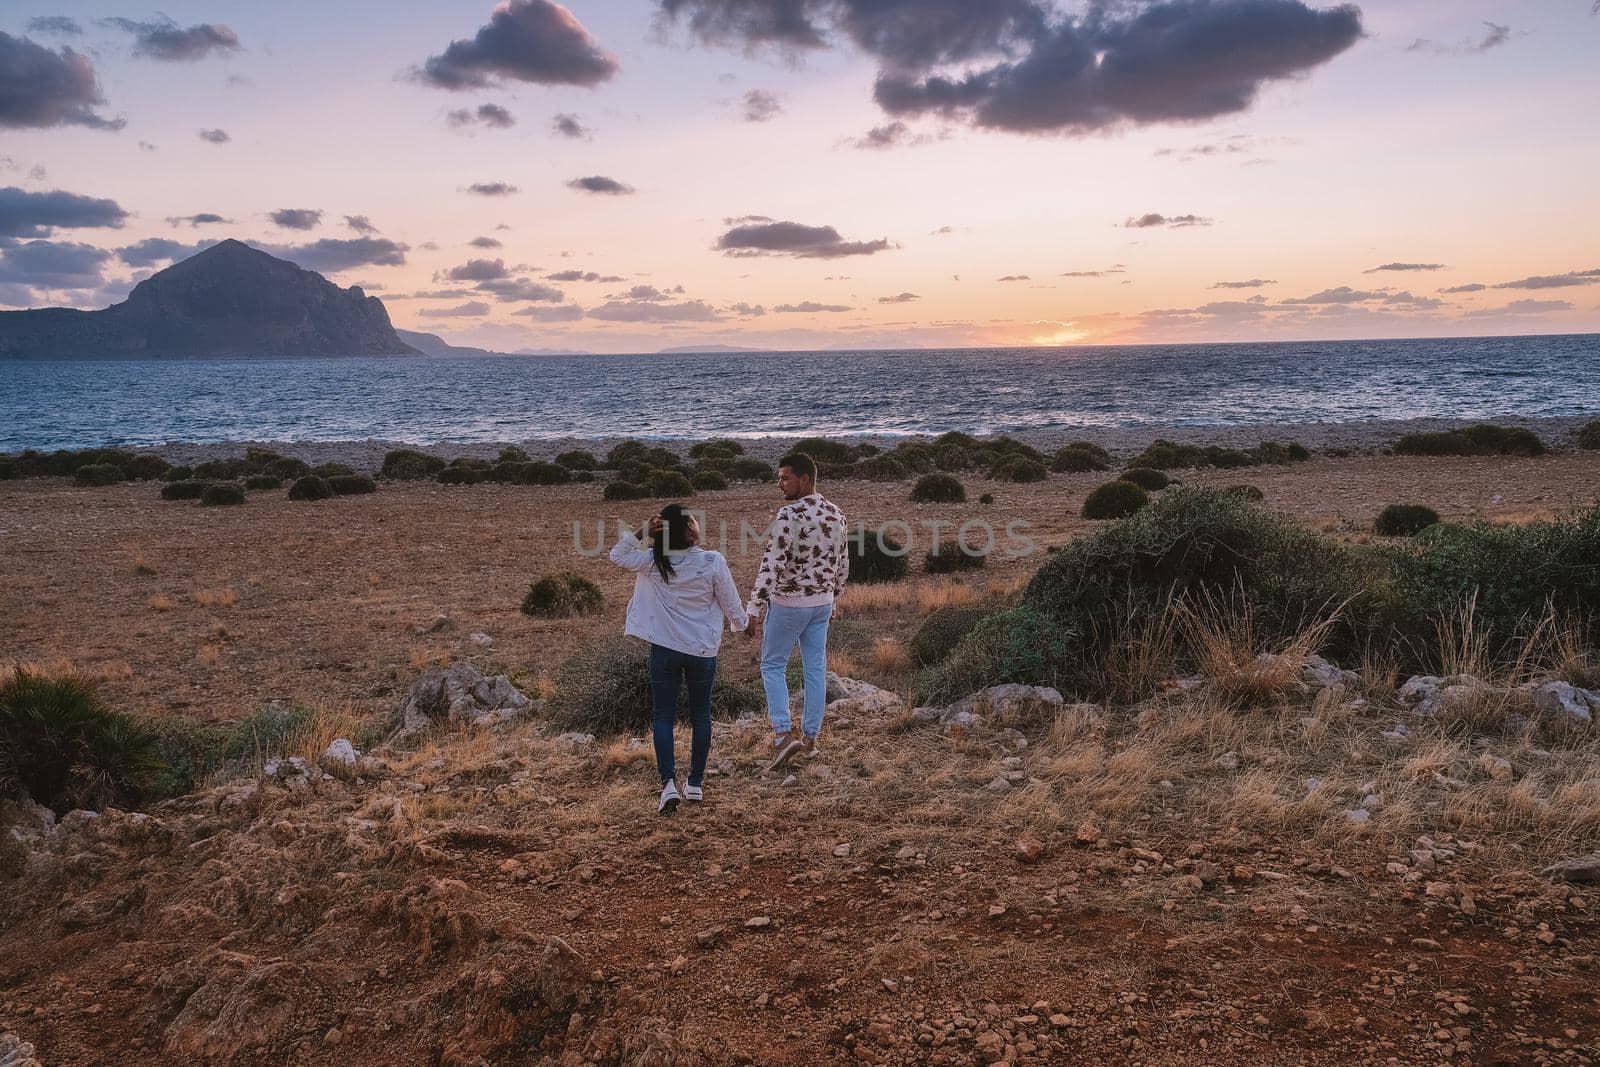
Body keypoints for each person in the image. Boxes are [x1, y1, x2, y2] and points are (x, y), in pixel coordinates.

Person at [610, 503, 748, 814]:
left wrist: (643, 531)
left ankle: (668, 785)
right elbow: (731, 601)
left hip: (665, 649)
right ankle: (695, 783)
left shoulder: (654, 562)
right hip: (701, 651)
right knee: (701, 716)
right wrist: (742, 626)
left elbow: (617, 554)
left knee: (663, 717)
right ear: (688, 530)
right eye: (694, 522)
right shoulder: (712, 561)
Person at [744, 451, 849, 770]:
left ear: (804, 479)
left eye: (784, 477)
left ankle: (782, 735)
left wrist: (754, 607)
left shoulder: (789, 514)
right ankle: (810, 739)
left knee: (772, 666)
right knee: (815, 667)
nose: (779, 484)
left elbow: (772, 564)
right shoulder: (837, 513)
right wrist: (835, 599)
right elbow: (842, 563)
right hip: (822, 604)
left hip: (790, 603)